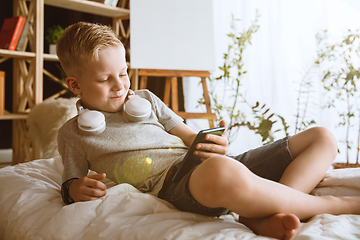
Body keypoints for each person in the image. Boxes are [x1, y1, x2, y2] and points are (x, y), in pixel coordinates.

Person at [56, 22, 360, 240]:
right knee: (222, 172)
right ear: (75, 85)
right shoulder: (74, 134)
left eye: (122, 73)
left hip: (208, 166)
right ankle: (336, 206)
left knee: (322, 137)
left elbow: (190, 137)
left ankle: (258, 214)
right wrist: (73, 189)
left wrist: (216, 143)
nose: (120, 85)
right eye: (105, 79)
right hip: (175, 185)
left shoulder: (146, 99)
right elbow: (69, 181)